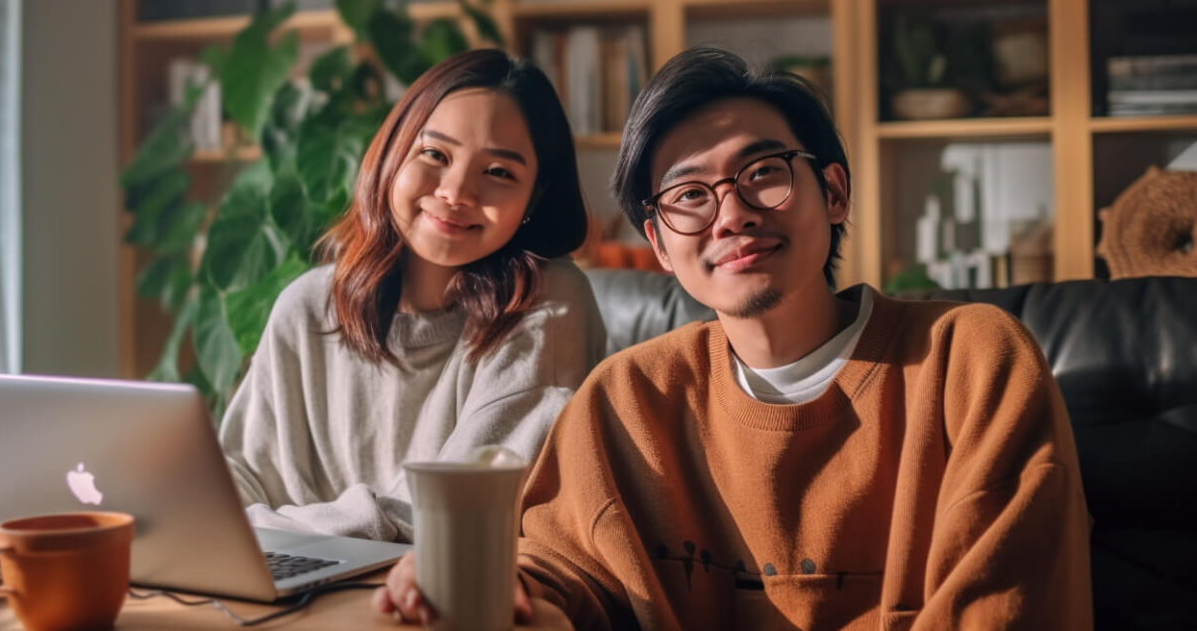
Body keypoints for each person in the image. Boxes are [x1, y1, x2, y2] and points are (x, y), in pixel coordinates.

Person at [376, 47, 1092, 628]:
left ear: (834, 191)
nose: (733, 214)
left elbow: (1007, 605)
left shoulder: (972, 362)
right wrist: (478, 578)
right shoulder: (624, 399)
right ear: (658, 241)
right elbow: (559, 568)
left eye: (763, 174)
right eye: (690, 195)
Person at [219, 49, 606, 543]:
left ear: (534, 199)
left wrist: (274, 531)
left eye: (499, 173)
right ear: (392, 154)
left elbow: (460, 508)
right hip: (283, 582)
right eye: (435, 155)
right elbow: (237, 475)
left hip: (436, 597)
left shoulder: (548, 303)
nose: (456, 192)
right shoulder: (307, 307)